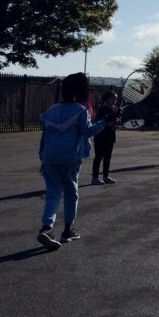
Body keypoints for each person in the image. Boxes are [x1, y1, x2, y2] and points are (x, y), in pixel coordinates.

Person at [37, 73, 113, 251]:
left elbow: (45, 137)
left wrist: (42, 157)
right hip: (70, 157)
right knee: (71, 193)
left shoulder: (52, 110)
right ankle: (67, 230)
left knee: (53, 193)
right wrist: (105, 122)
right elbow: (87, 132)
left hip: (50, 157)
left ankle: (46, 228)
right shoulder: (80, 110)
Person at [91, 91, 120, 184]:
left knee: (107, 157)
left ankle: (106, 176)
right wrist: (109, 125)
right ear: (107, 99)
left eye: (116, 99)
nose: (115, 100)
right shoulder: (101, 109)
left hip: (110, 137)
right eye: (113, 98)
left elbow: (117, 120)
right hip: (100, 137)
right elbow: (99, 123)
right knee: (99, 157)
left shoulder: (115, 109)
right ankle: (95, 178)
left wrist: (117, 124)